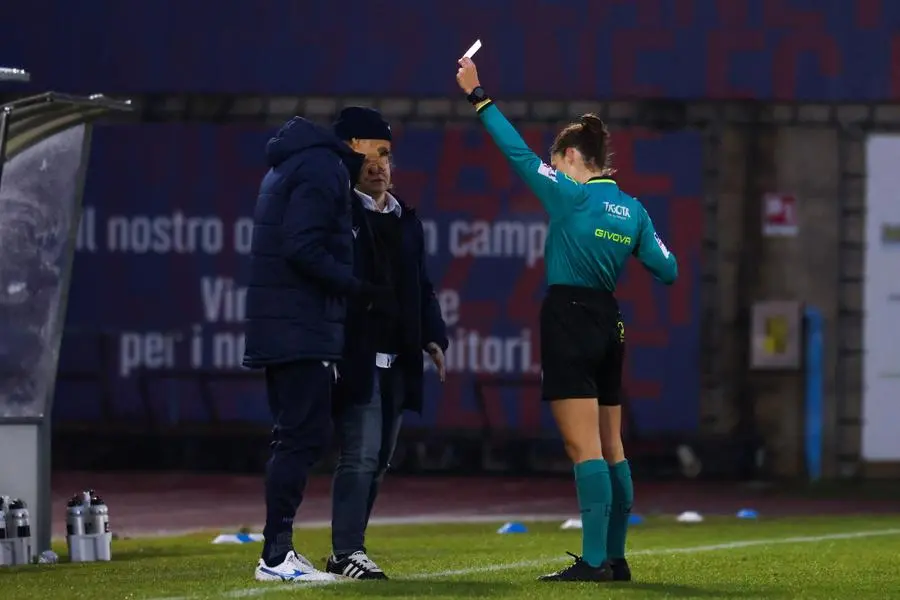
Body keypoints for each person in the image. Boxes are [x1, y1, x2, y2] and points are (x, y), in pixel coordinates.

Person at [455, 57, 678, 583]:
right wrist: (623, 244)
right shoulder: (634, 210)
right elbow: (667, 269)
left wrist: (478, 95)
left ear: (573, 158)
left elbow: (515, 152)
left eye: (559, 160)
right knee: (614, 446)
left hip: (569, 318)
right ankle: (617, 559)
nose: (555, 168)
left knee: (584, 449)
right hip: (610, 322)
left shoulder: (569, 194)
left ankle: (595, 562)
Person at [242, 114, 388, 583]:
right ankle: (276, 554)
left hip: (288, 324)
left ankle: (278, 550)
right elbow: (301, 246)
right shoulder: (322, 168)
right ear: (354, 142)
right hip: (299, 327)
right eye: (377, 146)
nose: (381, 157)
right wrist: (353, 287)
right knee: (301, 437)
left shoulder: (292, 164)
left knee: (300, 435)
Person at [325, 107, 449, 580]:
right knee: (359, 455)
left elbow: (422, 285)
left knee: (378, 460)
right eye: (370, 155)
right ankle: (345, 551)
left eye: (386, 155)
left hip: (397, 357)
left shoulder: (406, 220)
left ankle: (350, 549)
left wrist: (433, 336)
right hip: (356, 352)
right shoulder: (338, 215)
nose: (380, 165)